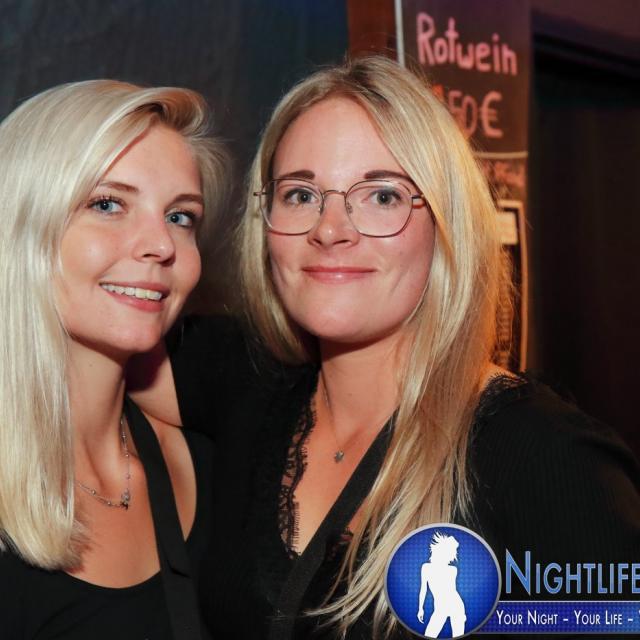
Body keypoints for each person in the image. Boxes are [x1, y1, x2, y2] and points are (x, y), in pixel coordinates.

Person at [132, 56, 640, 639]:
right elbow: (89, 331)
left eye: (382, 196)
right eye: (301, 194)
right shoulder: (248, 380)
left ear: (445, 224)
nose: (330, 229)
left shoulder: (541, 454)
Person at [0, 79, 226, 639]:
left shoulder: (205, 464)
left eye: (181, 216)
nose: (162, 244)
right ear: (21, 223)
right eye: (108, 204)